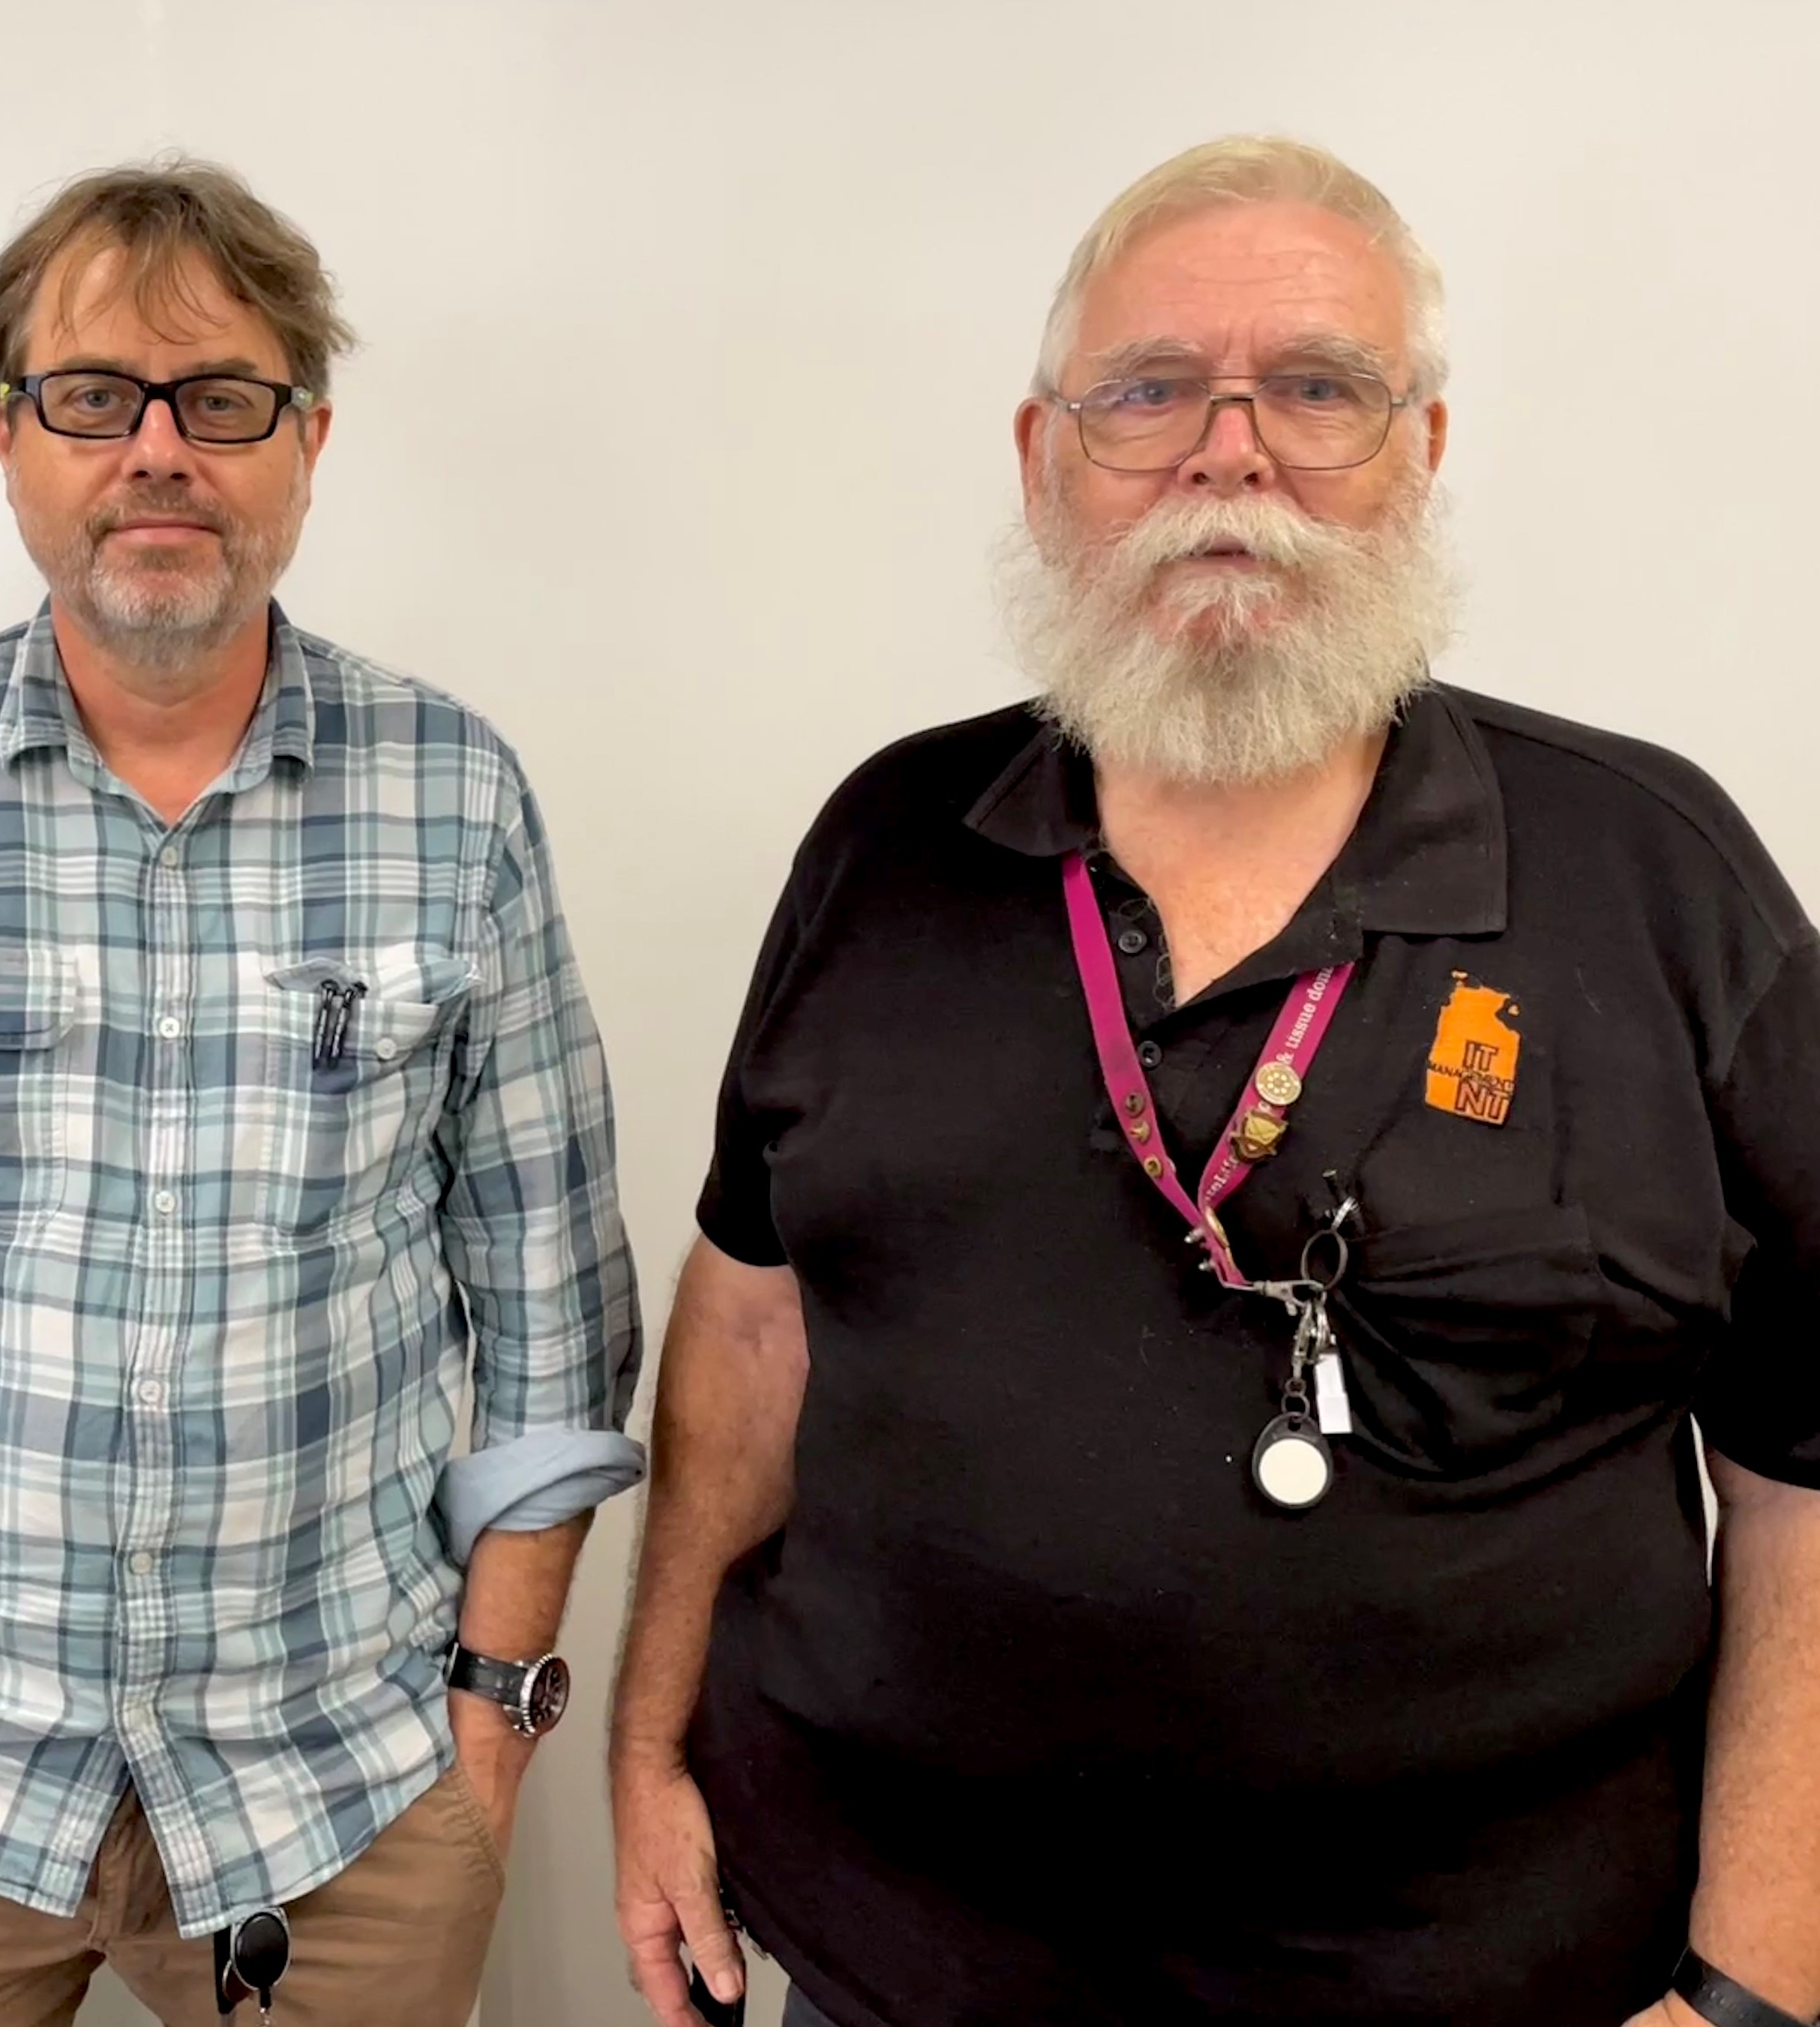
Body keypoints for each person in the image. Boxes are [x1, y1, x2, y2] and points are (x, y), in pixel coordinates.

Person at [610, 134, 1820, 2027]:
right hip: (883, 1958)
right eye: (1147, 390)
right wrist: (645, 1744)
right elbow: (749, 1322)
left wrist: (1753, 1987)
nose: (1225, 448)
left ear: (1419, 451)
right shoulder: (883, 841)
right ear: (1041, 460)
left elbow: (1804, 1477)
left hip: (1496, 1986)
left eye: (1314, 388)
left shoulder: (1658, 880)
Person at [0, 157, 641, 2027]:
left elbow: (550, 1312)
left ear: (306, 438)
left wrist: (491, 1722)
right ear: (6, 435)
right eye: (93, 397)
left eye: (223, 400)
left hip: (339, 1788)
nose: (158, 451)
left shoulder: (454, 796)